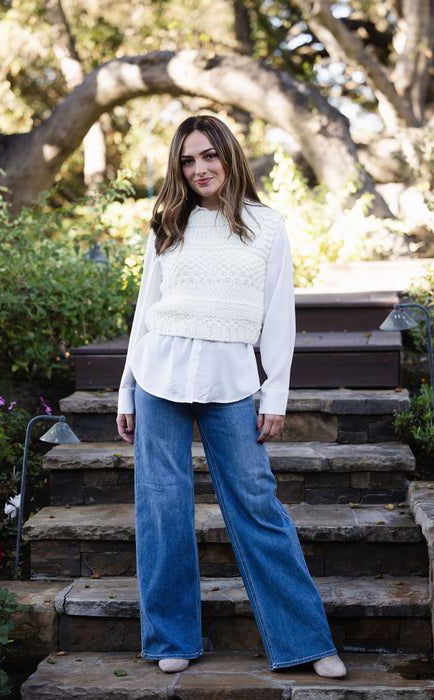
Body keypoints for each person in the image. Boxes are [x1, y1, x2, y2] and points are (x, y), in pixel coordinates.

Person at [116, 114, 346, 678]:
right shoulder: (168, 224)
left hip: (231, 383)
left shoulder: (267, 226)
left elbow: (280, 317)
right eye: (188, 160)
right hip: (158, 377)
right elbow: (146, 312)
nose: (199, 169)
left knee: (257, 506)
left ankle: (307, 642)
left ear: (229, 156)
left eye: (209, 156)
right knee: (162, 509)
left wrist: (276, 394)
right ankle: (171, 636)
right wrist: (126, 390)